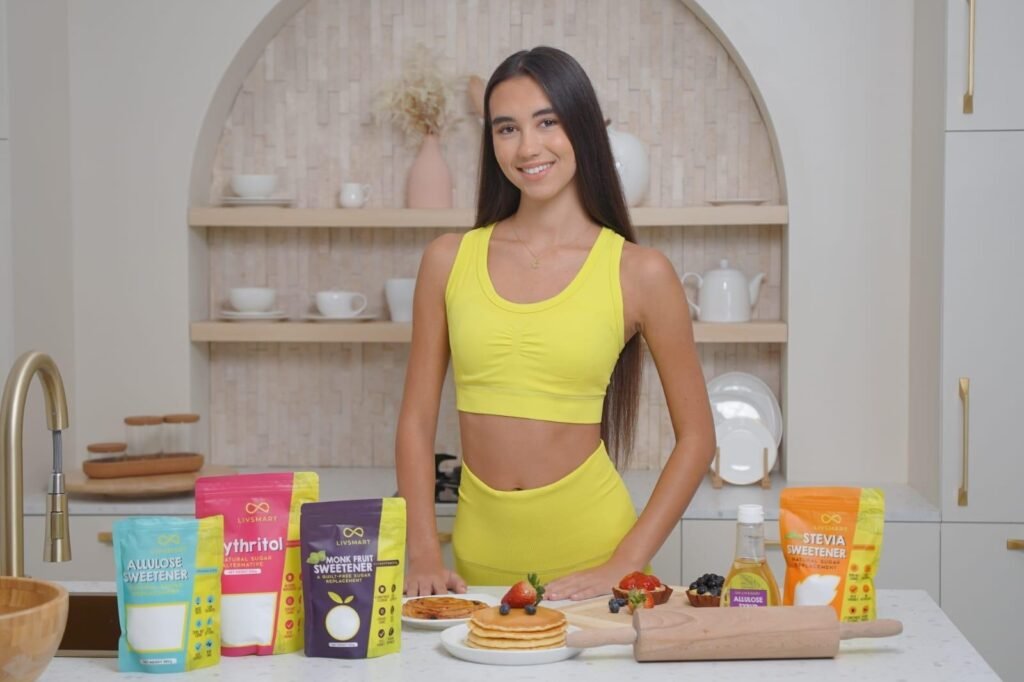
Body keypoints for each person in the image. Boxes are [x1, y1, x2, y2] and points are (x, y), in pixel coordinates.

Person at [396, 46, 715, 601]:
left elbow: (698, 437)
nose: (528, 147)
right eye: (506, 129)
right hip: (475, 560)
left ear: (583, 128)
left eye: (548, 122)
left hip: (593, 555)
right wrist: (423, 549)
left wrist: (626, 560)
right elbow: (416, 423)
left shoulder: (639, 273)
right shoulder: (448, 260)